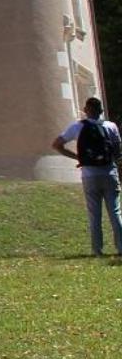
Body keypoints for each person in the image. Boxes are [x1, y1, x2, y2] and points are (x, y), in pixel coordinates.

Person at [51, 97, 122, 257]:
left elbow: (56, 144)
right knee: (115, 211)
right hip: (109, 172)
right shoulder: (111, 126)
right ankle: (121, 247)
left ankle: (97, 250)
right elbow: (118, 151)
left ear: (85, 109)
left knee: (94, 214)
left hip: (89, 174)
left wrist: (78, 158)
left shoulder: (78, 126)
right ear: (101, 111)